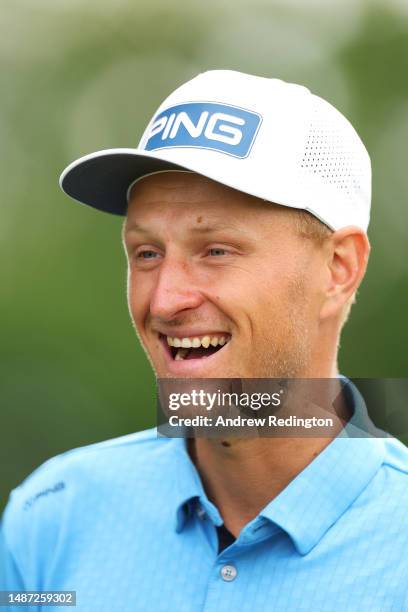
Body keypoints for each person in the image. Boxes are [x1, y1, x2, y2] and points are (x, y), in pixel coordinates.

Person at [1, 70, 408, 611]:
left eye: (216, 250)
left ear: (337, 269)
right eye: (146, 253)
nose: (166, 300)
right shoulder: (51, 518)